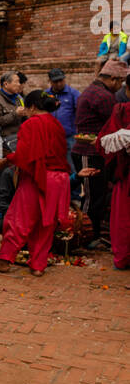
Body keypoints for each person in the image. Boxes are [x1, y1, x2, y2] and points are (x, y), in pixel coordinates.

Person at [0, 91, 71, 277]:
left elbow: (24, 154)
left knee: (19, 218)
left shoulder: (31, 123)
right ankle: (38, 265)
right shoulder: (57, 125)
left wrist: (5, 161)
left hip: (38, 175)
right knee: (46, 223)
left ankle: (5, 260)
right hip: (59, 179)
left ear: (33, 107)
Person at [73, 59, 127, 248]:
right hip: (89, 151)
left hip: (93, 151)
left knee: (97, 195)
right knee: (91, 196)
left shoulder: (95, 91)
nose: (120, 86)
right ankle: (84, 236)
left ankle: (92, 234)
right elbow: (115, 123)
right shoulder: (102, 96)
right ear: (112, 79)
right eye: (120, 82)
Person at [0, 71, 28, 231]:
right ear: (6, 84)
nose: (19, 85)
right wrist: (15, 114)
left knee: (14, 174)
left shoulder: (20, 98)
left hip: (17, 143)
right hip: (0, 142)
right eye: (16, 82)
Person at [97, 97, 130, 270]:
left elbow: (103, 142)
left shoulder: (122, 110)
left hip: (126, 175)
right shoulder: (122, 110)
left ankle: (123, 257)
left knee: (124, 218)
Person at [43, 67, 80, 197]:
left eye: (60, 80)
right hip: (50, 138)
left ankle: (74, 196)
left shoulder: (73, 94)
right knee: (53, 167)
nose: (58, 84)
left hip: (69, 137)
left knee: (71, 166)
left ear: (64, 79)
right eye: (55, 81)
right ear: (50, 81)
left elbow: (79, 114)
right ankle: (56, 195)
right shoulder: (46, 95)